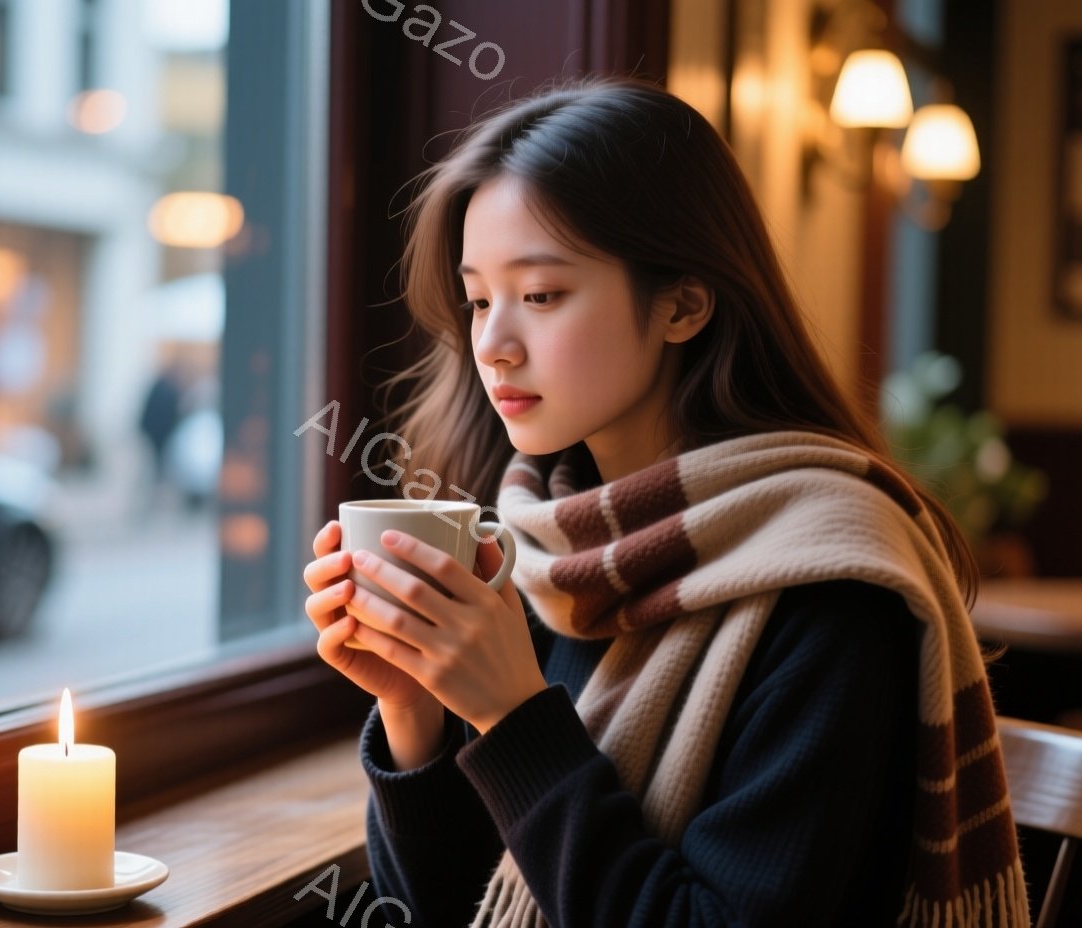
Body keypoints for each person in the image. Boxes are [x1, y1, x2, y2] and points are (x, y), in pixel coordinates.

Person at [300, 75, 1029, 927]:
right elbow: (452, 910)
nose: (492, 345)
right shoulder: (543, 551)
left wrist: (512, 718)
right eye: (478, 299)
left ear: (682, 303)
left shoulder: (831, 582)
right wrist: (415, 708)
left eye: (540, 295)